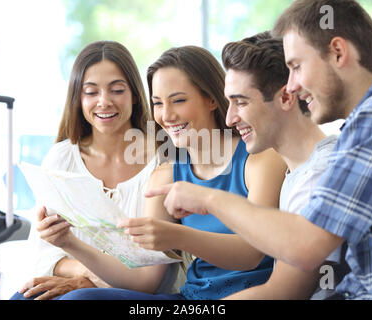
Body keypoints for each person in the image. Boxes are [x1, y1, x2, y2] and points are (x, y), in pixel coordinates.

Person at [146, 0, 372, 300]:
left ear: (338, 52)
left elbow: (304, 248)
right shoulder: (367, 123)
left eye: (295, 67)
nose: (291, 85)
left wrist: (208, 199)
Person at [52, 45, 287, 300]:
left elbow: (251, 253)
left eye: (178, 100)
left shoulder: (260, 159)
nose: (166, 115)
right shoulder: (166, 175)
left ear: (211, 98)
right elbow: (144, 281)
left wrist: (176, 235)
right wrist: (69, 243)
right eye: (157, 103)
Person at [10, 40, 175, 300]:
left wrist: (86, 283)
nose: (104, 102)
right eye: (91, 92)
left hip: (138, 294)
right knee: (23, 297)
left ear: (134, 94)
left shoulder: (163, 158)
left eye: (117, 90)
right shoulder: (62, 158)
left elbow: (151, 274)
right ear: (78, 99)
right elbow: (44, 256)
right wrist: (85, 276)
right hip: (80, 285)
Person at [219, 31, 349, 299]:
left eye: (240, 102)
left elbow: (282, 294)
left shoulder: (317, 176)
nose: (230, 119)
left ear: (286, 98)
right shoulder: (298, 171)